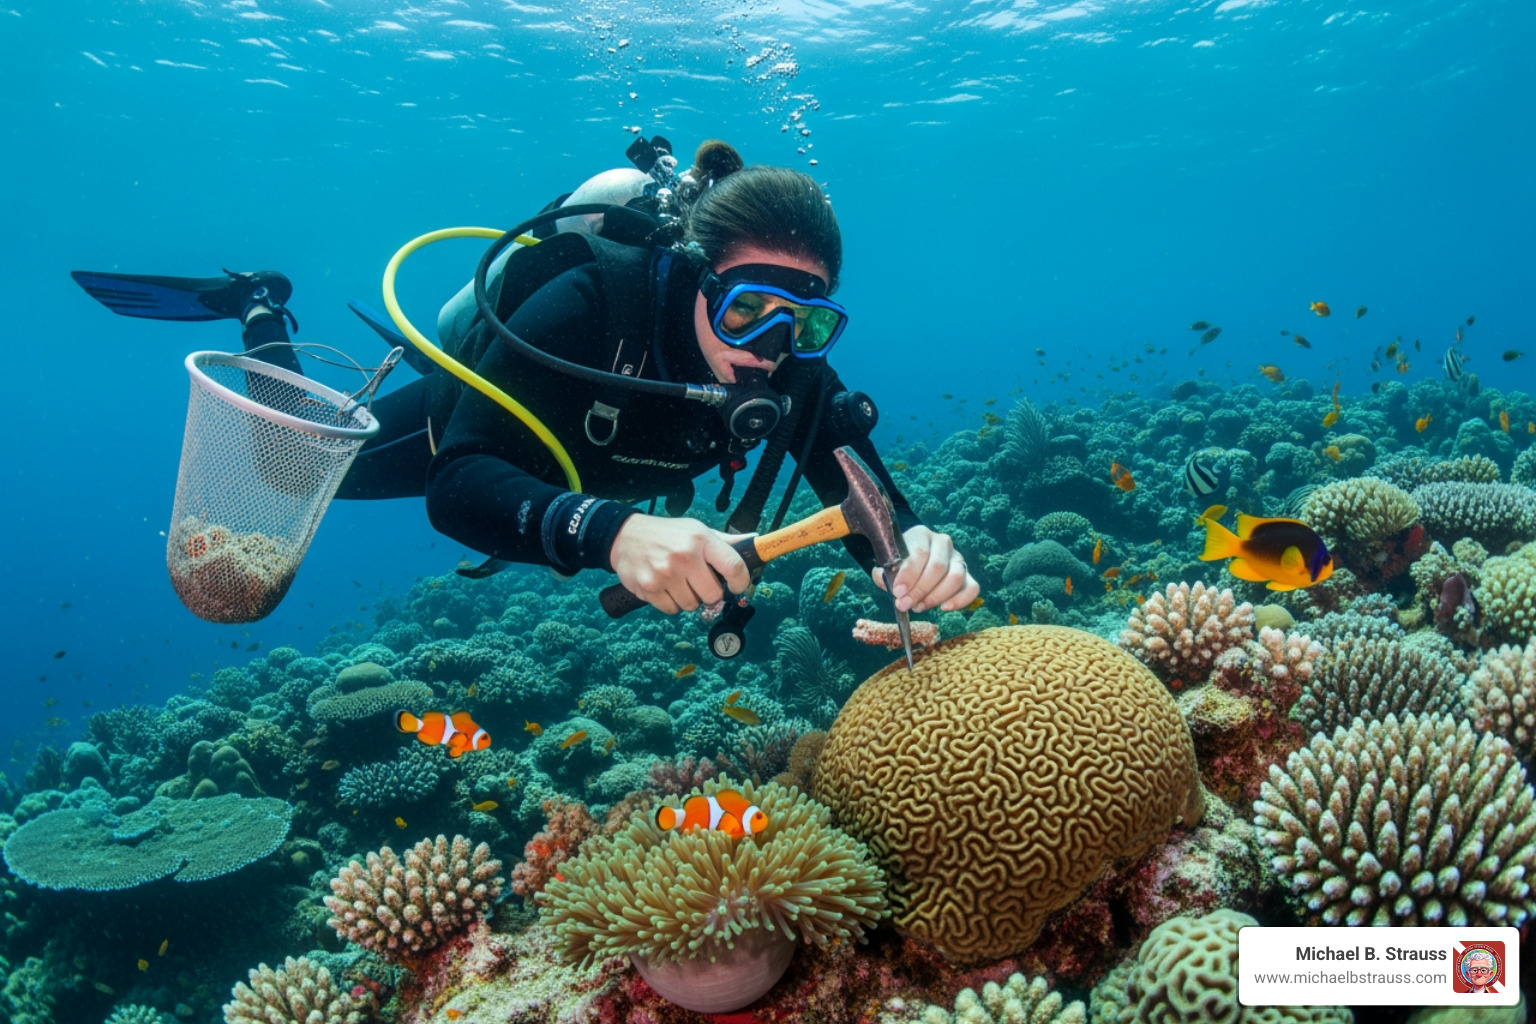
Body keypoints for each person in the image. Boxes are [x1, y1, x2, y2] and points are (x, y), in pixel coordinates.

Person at [73, 141, 978, 619]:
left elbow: (870, 502)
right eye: (746, 309)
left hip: (575, 482)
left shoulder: (794, 372)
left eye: (807, 320)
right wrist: (612, 534)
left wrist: (913, 557)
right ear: (699, 279)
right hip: (490, 416)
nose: (772, 345)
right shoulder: (594, 300)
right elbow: (459, 481)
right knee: (282, 467)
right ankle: (260, 304)